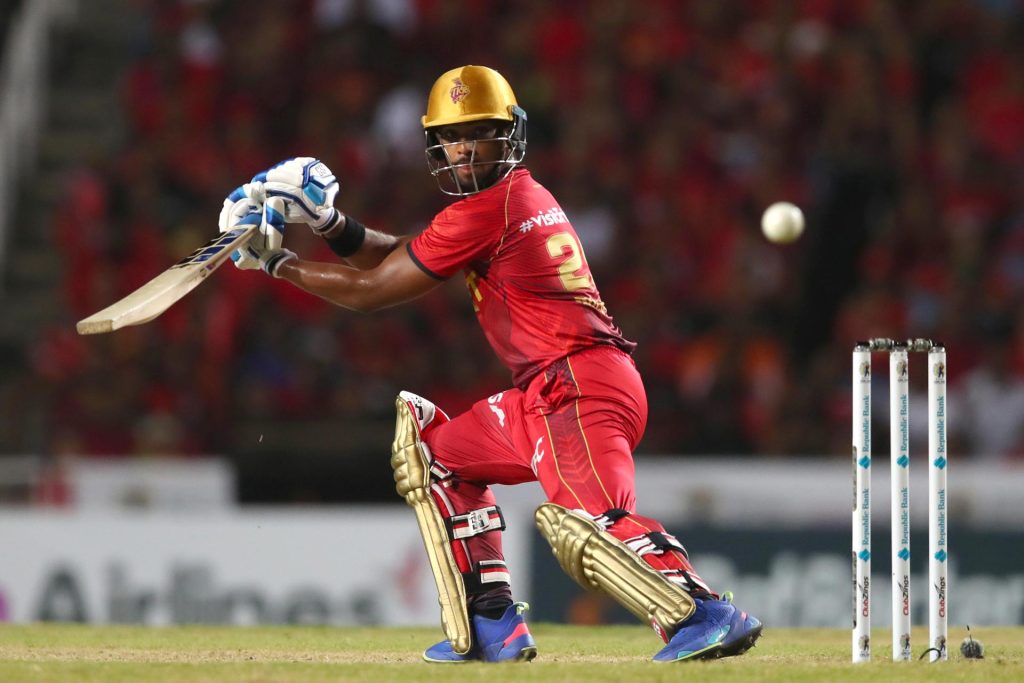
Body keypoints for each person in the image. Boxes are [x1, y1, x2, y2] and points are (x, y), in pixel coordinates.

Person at [219, 65, 762, 663]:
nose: (464, 147)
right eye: (452, 136)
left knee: (598, 522)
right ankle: (493, 623)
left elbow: (373, 290)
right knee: (439, 460)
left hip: (576, 386)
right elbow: (400, 255)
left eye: (478, 131)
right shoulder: (503, 202)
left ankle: (707, 612)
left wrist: (277, 264)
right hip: (551, 389)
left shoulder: (493, 206)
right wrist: (325, 223)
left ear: (510, 135)